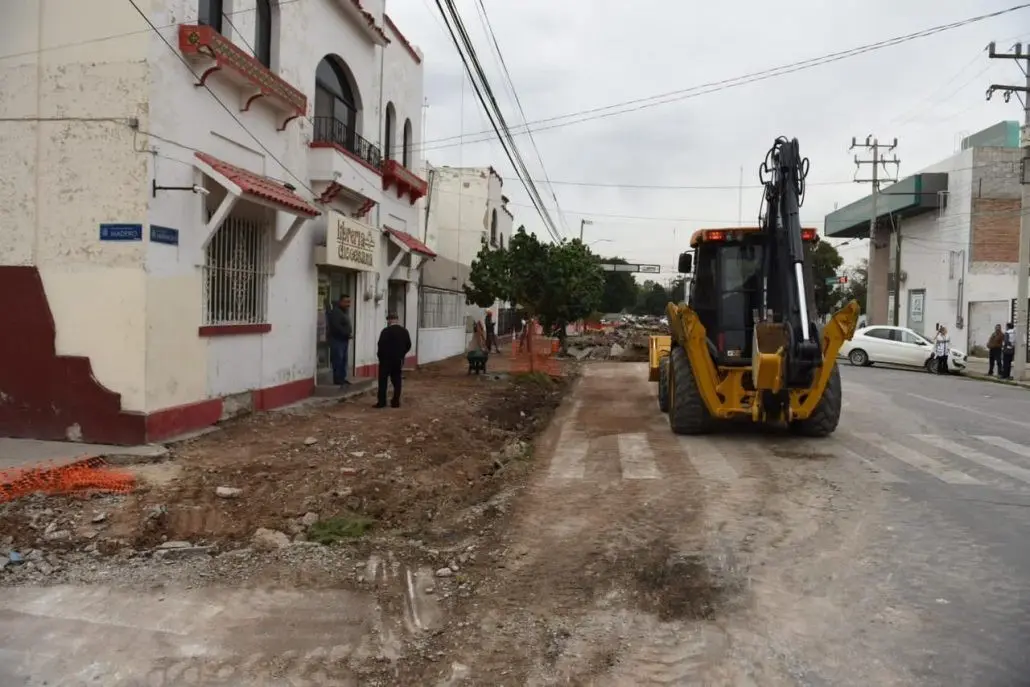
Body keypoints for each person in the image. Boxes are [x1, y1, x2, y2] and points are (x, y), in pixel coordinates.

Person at [374, 312, 411, 408]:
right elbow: (408, 345)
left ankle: (381, 402)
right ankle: (395, 402)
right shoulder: (404, 331)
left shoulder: (385, 331)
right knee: (397, 381)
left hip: (385, 360)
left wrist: (380, 357)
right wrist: (401, 354)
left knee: (383, 381)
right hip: (397, 360)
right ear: (397, 319)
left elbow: (380, 345)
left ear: (389, 320)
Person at [327, 295, 352, 387]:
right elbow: (336, 326)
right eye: (346, 302)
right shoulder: (336, 312)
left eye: (349, 302)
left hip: (344, 340)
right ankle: (337, 379)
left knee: (343, 360)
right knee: (338, 359)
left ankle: (342, 378)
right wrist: (345, 333)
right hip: (337, 340)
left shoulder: (344, 312)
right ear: (340, 302)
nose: (348, 304)